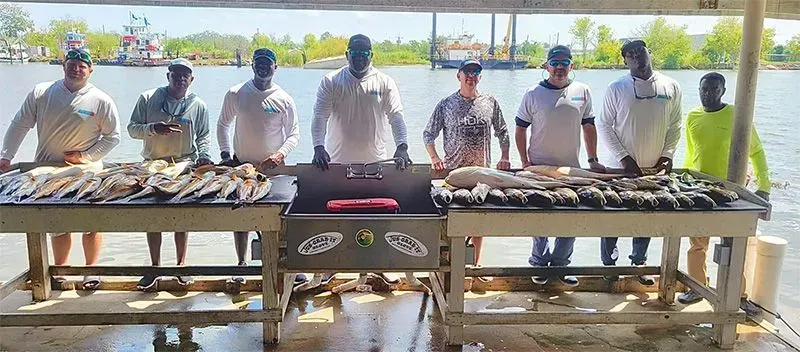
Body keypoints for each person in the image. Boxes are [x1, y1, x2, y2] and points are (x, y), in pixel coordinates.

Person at [0, 48, 120, 290]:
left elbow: (112, 137)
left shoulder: (101, 100)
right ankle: (61, 270)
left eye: (82, 65)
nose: (76, 69)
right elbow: (20, 124)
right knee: (56, 223)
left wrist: (85, 156)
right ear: (63, 65)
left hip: (86, 171)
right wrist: (6, 156)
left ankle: (91, 271)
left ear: (90, 70)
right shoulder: (42, 92)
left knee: (91, 222)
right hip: (47, 167)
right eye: (72, 64)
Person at [311, 34, 411, 286]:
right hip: (337, 164)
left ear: (371, 55)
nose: (359, 57)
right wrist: (317, 146)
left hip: (375, 165)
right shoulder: (331, 81)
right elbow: (319, 117)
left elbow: (396, 116)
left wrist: (402, 146)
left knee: (376, 219)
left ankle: (380, 265)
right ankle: (330, 265)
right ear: (347, 55)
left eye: (364, 53)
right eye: (354, 53)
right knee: (335, 218)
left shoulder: (385, 82)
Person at [678, 72, 768, 315]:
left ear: (723, 91)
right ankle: (697, 288)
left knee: (734, 244)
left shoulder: (738, 115)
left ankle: (739, 296)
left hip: (731, 189)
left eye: (713, 89)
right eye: (704, 89)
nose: (708, 94)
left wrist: (764, 186)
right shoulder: (693, 116)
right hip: (698, 187)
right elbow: (690, 151)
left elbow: (756, 152)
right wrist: (682, 179)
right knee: (697, 243)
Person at [515, 45, 605, 287]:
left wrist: (593, 160)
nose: (559, 68)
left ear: (571, 66)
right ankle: (539, 263)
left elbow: (589, 126)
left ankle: (561, 265)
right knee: (539, 216)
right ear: (547, 66)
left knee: (570, 217)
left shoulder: (582, 91)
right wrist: (524, 161)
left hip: (571, 168)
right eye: (554, 63)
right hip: (538, 167)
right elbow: (520, 128)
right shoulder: (532, 93)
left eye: (564, 63)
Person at [597, 40, 682, 285]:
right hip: (619, 168)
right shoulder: (616, 87)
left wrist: (668, 155)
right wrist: (624, 158)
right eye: (630, 54)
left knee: (647, 216)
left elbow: (675, 125)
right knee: (613, 216)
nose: (637, 56)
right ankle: (609, 266)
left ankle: (639, 263)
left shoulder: (671, 86)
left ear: (649, 53)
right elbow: (604, 125)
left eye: (640, 51)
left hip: (654, 168)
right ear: (625, 61)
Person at [217, 48, 300, 284]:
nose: (263, 67)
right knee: (239, 216)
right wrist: (225, 155)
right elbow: (223, 124)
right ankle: (241, 266)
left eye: (268, 64)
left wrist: (280, 154)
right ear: (252, 66)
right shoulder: (236, 93)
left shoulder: (284, 99)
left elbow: (294, 134)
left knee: (272, 219)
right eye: (259, 63)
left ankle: (275, 266)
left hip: (271, 171)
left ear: (275, 67)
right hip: (241, 168)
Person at [423, 58, 510, 281]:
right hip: (455, 173)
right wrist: (434, 158)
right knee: (454, 221)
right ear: (459, 76)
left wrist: (505, 156)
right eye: (467, 72)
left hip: (482, 173)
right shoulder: (446, 104)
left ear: (480, 77)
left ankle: (476, 266)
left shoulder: (490, 102)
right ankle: (453, 267)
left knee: (479, 221)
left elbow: (503, 131)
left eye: (475, 73)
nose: (471, 76)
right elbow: (428, 134)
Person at [128, 58, 212, 290]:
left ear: (191, 79)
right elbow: (132, 129)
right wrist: (152, 129)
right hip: (152, 164)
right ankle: (155, 267)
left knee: (181, 215)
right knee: (151, 216)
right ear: (168, 76)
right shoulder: (147, 98)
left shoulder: (199, 105)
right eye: (176, 73)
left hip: (184, 164)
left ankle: (181, 265)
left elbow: (203, 136)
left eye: (185, 74)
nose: (180, 78)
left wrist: (204, 155)